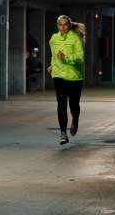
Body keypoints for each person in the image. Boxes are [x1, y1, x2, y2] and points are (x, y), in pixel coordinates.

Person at [48, 15, 85, 145]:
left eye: (65, 25)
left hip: (74, 77)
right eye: (60, 25)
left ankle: (75, 120)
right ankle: (63, 133)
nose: (62, 27)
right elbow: (54, 56)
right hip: (58, 76)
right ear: (57, 25)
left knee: (73, 105)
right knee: (61, 105)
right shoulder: (53, 39)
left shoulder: (75, 39)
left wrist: (66, 58)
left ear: (69, 26)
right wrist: (52, 65)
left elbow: (80, 58)